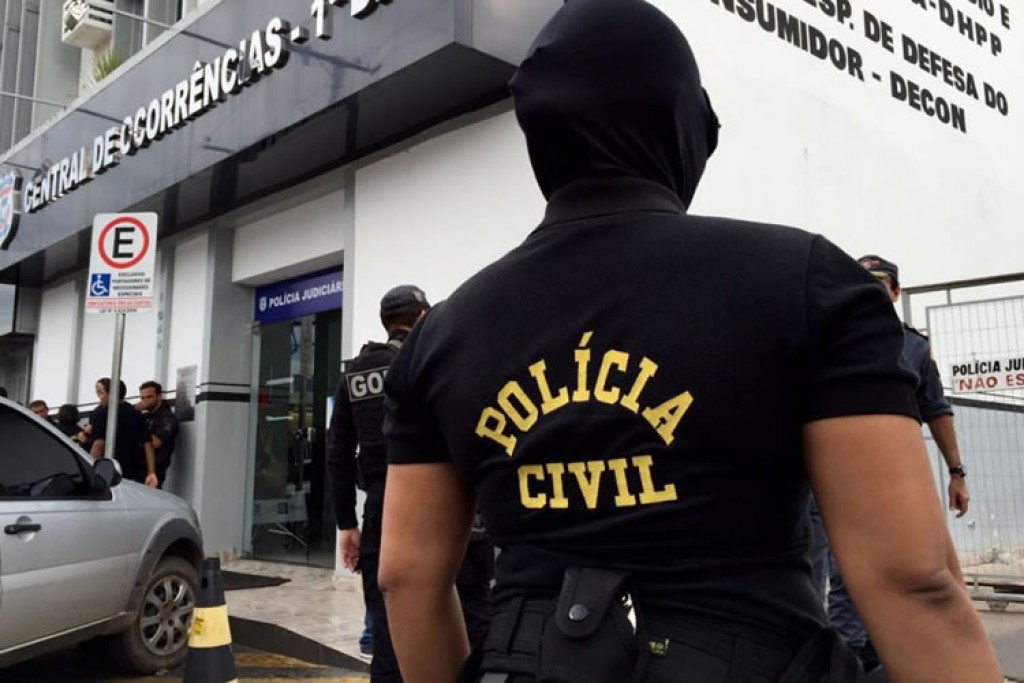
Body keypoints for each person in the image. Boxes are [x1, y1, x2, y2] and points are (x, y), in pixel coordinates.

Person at [375, 1, 1002, 682]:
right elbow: (914, 580)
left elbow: (407, 578)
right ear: (682, 124)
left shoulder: (441, 336)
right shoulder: (808, 285)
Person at [808, 255, 972, 670]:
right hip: (825, 478)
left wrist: (956, 473)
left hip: (890, 480)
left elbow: (936, 409)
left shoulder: (913, 347)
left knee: (909, 569)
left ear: (896, 292)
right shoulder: (823, 339)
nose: (867, 291)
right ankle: (840, 656)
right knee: (819, 570)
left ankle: (874, 652)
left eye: (878, 284)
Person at [327, 285, 493, 683]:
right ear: (422, 316)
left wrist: (346, 523)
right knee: (474, 618)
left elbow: (337, 451)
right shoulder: (439, 359)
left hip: (384, 509)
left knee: (389, 630)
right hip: (451, 506)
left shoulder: (356, 373)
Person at [90, 378, 158, 488]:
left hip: (108, 473)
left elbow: (98, 445)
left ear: (111, 394)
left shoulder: (100, 414)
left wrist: (91, 471)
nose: (99, 397)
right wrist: (151, 472)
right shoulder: (136, 413)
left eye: (100, 393)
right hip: (133, 471)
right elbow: (148, 444)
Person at [137, 381, 179, 489]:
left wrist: (137, 418)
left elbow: (156, 442)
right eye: (142, 398)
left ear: (159, 396)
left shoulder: (167, 418)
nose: (145, 401)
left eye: (149, 397)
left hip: (155, 469)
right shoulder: (146, 416)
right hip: (139, 467)